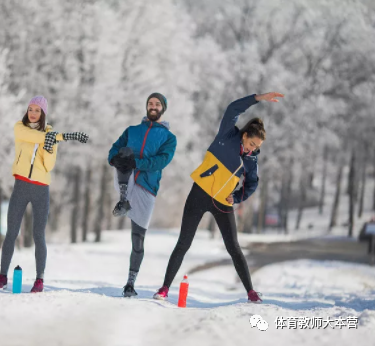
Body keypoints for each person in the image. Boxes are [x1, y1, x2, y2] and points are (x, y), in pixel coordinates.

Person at [153, 92, 284, 303]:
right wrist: (258, 98)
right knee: (183, 243)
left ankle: (251, 292)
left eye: (257, 148)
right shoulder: (227, 135)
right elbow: (233, 108)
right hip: (199, 194)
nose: (253, 149)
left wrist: (238, 197)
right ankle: (164, 288)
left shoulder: (251, 162)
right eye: (252, 144)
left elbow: (252, 183)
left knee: (234, 247)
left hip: (223, 203)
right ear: (245, 135)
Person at [0, 96, 88, 292]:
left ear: (43, 113)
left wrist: (51, 145)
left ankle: (39, 279)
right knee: (11, 232)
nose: (33, 113)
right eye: (30, 109)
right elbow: (33, 137)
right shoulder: (20, 127)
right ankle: (2, 276)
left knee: (38, 235)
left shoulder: (50, 133)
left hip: (41, 189)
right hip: (20, 186)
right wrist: (66, 136)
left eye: (37, 110)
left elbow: (48, 165)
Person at [108, 92, 177, 297]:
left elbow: (161, 161)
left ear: (162, 108)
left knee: (138, 239)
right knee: (125, 152)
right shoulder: (132, 130)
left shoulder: (169, 138)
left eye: (157, 104)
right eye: (150, 103)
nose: (153, 106)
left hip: (147, 186)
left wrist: (138, 163)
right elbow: (114, 149)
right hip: (126, 180)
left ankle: (130, 283)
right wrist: (115, 160)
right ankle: (123, 201)